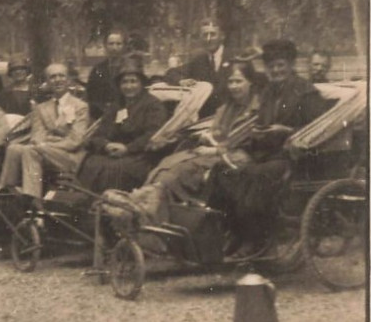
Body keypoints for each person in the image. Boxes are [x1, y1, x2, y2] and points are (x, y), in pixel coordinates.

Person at [210, 39, 328, 257]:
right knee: (222, 170)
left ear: (291, 65)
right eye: (272, 66)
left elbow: (317, 130)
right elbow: (262, 122)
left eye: (281, 65)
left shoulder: (305, 92)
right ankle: (235, 232)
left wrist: (286, 130)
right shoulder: (268, 92)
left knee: (254, 175)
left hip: (294, 156)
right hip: (266, 151)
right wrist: (258, 132)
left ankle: (255, 239)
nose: (276, 70)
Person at [112, 59, 262, 226]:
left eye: (239, 81)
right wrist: (206, 137)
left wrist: (215, 149)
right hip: (210, 153)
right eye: (231, 81)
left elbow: (244, 140)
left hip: (234, 157)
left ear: (251, 82)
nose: (234, 86)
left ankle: (155, 218)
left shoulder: (257, 109)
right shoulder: (226, 108)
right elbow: (215, 132)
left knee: (173, 177)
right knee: (166, 165)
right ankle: (150, 213)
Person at [0, 62, 90, 200]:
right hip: (44, 152)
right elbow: (37, 137)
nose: (57, 80)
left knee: (30, 150)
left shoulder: (80, 106)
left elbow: (75, 141)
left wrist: (47, 144)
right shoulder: (41, 108)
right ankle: (4, 193)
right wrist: (46, 144)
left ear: (68, 80)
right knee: (13, 148)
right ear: (47, 82)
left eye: (61, 76)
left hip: (69, 157)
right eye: (52, 77)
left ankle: (32, 201)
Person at [76, 55, 167, 194]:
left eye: (133, 81)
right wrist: (106, 145)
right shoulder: (116, 106)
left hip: (139, 156)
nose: (129, 86)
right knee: (90, 164)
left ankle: (112, 206)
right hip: (111, 153)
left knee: (113, 170)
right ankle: (88, 206)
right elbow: (99, 133)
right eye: (124, 82)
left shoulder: (153, 105)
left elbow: (153, 135)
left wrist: (127, 148)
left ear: (141, 83)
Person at [165, 19, 232, 114]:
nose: (208, 39)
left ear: (222, 36)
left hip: (232, 116)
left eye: (212, 34)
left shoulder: (234, 58)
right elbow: (171, 73)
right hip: (205, 118)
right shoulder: (199, 60)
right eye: (205, 35)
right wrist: (181, 81)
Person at [85, 28, 129, 120]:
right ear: (105, 46)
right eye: (111, 44)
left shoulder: (132, 68)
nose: (114, 48)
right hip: (103, 117)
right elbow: (91, 97)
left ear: (124, 46)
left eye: (118, 44)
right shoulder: (97, 70)